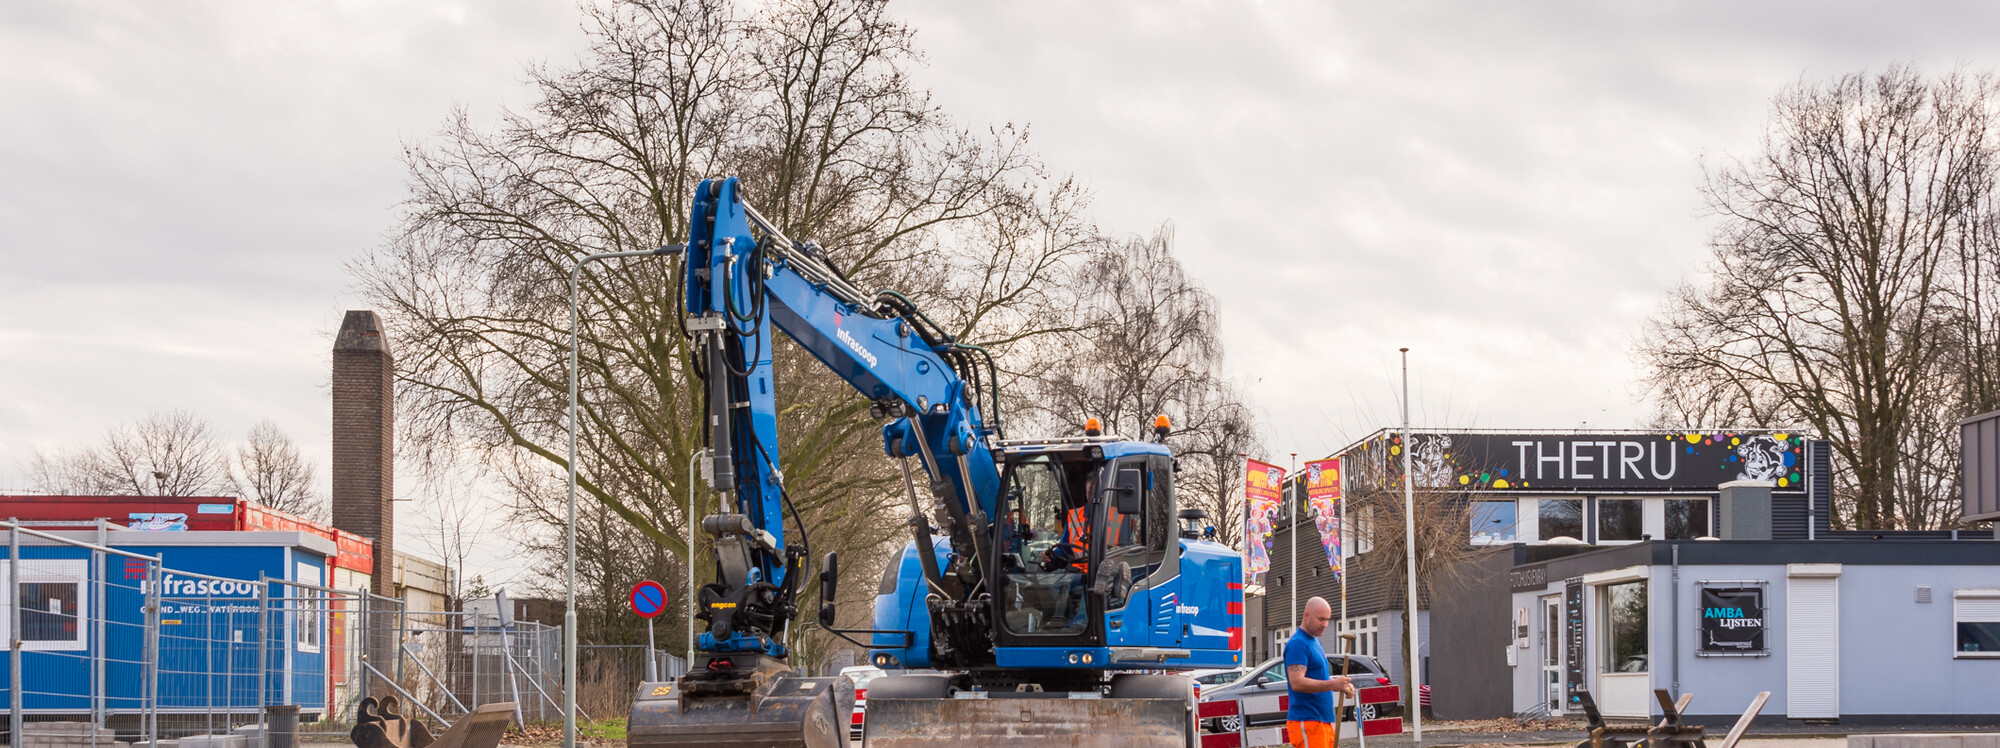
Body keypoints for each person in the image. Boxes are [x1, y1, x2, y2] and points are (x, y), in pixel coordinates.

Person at [1285, 597, 1358, 748]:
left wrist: (1341, 685)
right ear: (1307, 615)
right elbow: (1297, 682)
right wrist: (1332, 684)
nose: (1325, 624)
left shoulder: (1314, 641)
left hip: (1321, 721)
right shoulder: (1298, 643)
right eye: (1321, 619)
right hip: (1308, 721)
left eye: (1327, 620)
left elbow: (1318, 677)